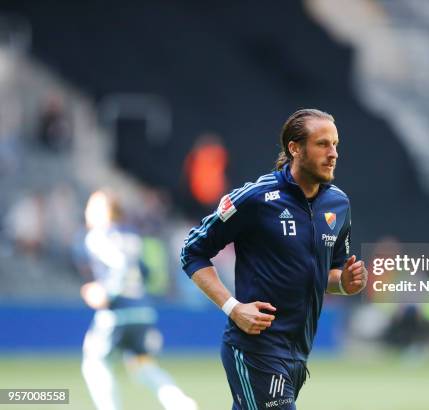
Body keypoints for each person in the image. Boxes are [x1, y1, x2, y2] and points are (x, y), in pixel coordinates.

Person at [181, 108, 368, 409]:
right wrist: (233, 308)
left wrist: (344, 283)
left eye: (335, 144)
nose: (333, 153)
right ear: (294, 148)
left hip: (298, 353)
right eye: (322, 144)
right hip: (255, 349)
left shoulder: (338, 204)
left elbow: (327, 275)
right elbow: (192, 251)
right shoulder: (256, 198)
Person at [81, 190, 197, 410]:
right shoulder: (131, 237)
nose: (87, 212)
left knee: (94, 363)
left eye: (92, 207)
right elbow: (144, 272)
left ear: (105, 211)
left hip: (118, 312)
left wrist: (107, 292)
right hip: (142, 309)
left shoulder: (97, 236)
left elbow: (120, 266)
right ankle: (178, 402)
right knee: (142, 366)